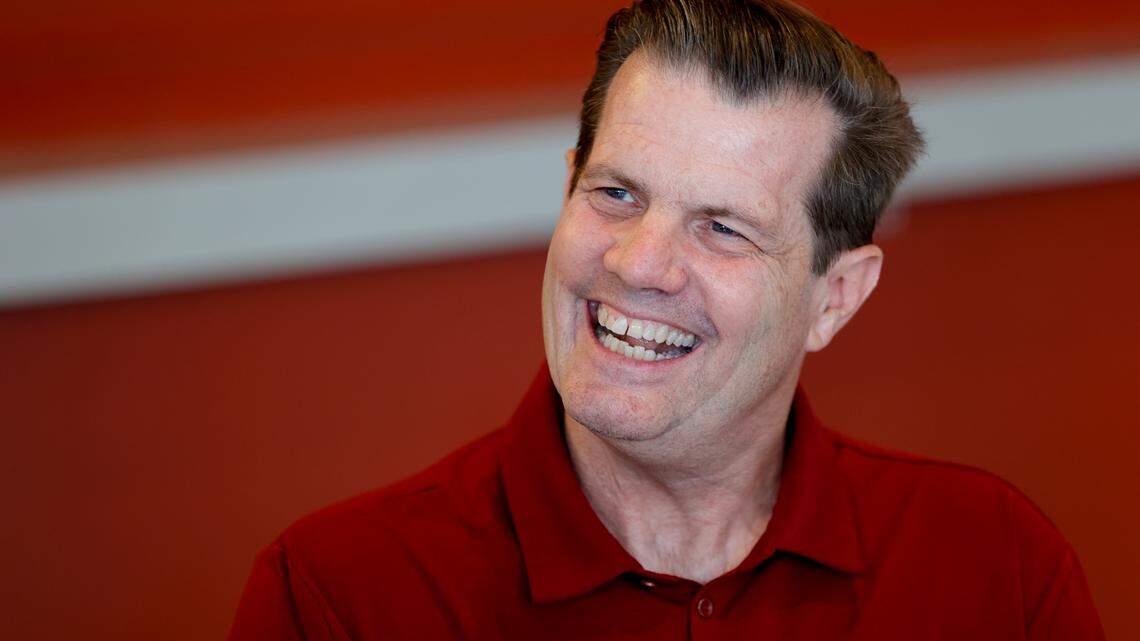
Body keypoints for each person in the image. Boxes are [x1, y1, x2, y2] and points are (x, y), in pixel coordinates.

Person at [228, 1, 1103, 638]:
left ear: (833, 298)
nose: (638, 264)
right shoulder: (338, 597)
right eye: (615, 194)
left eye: (723, 227)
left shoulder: (995, 567)